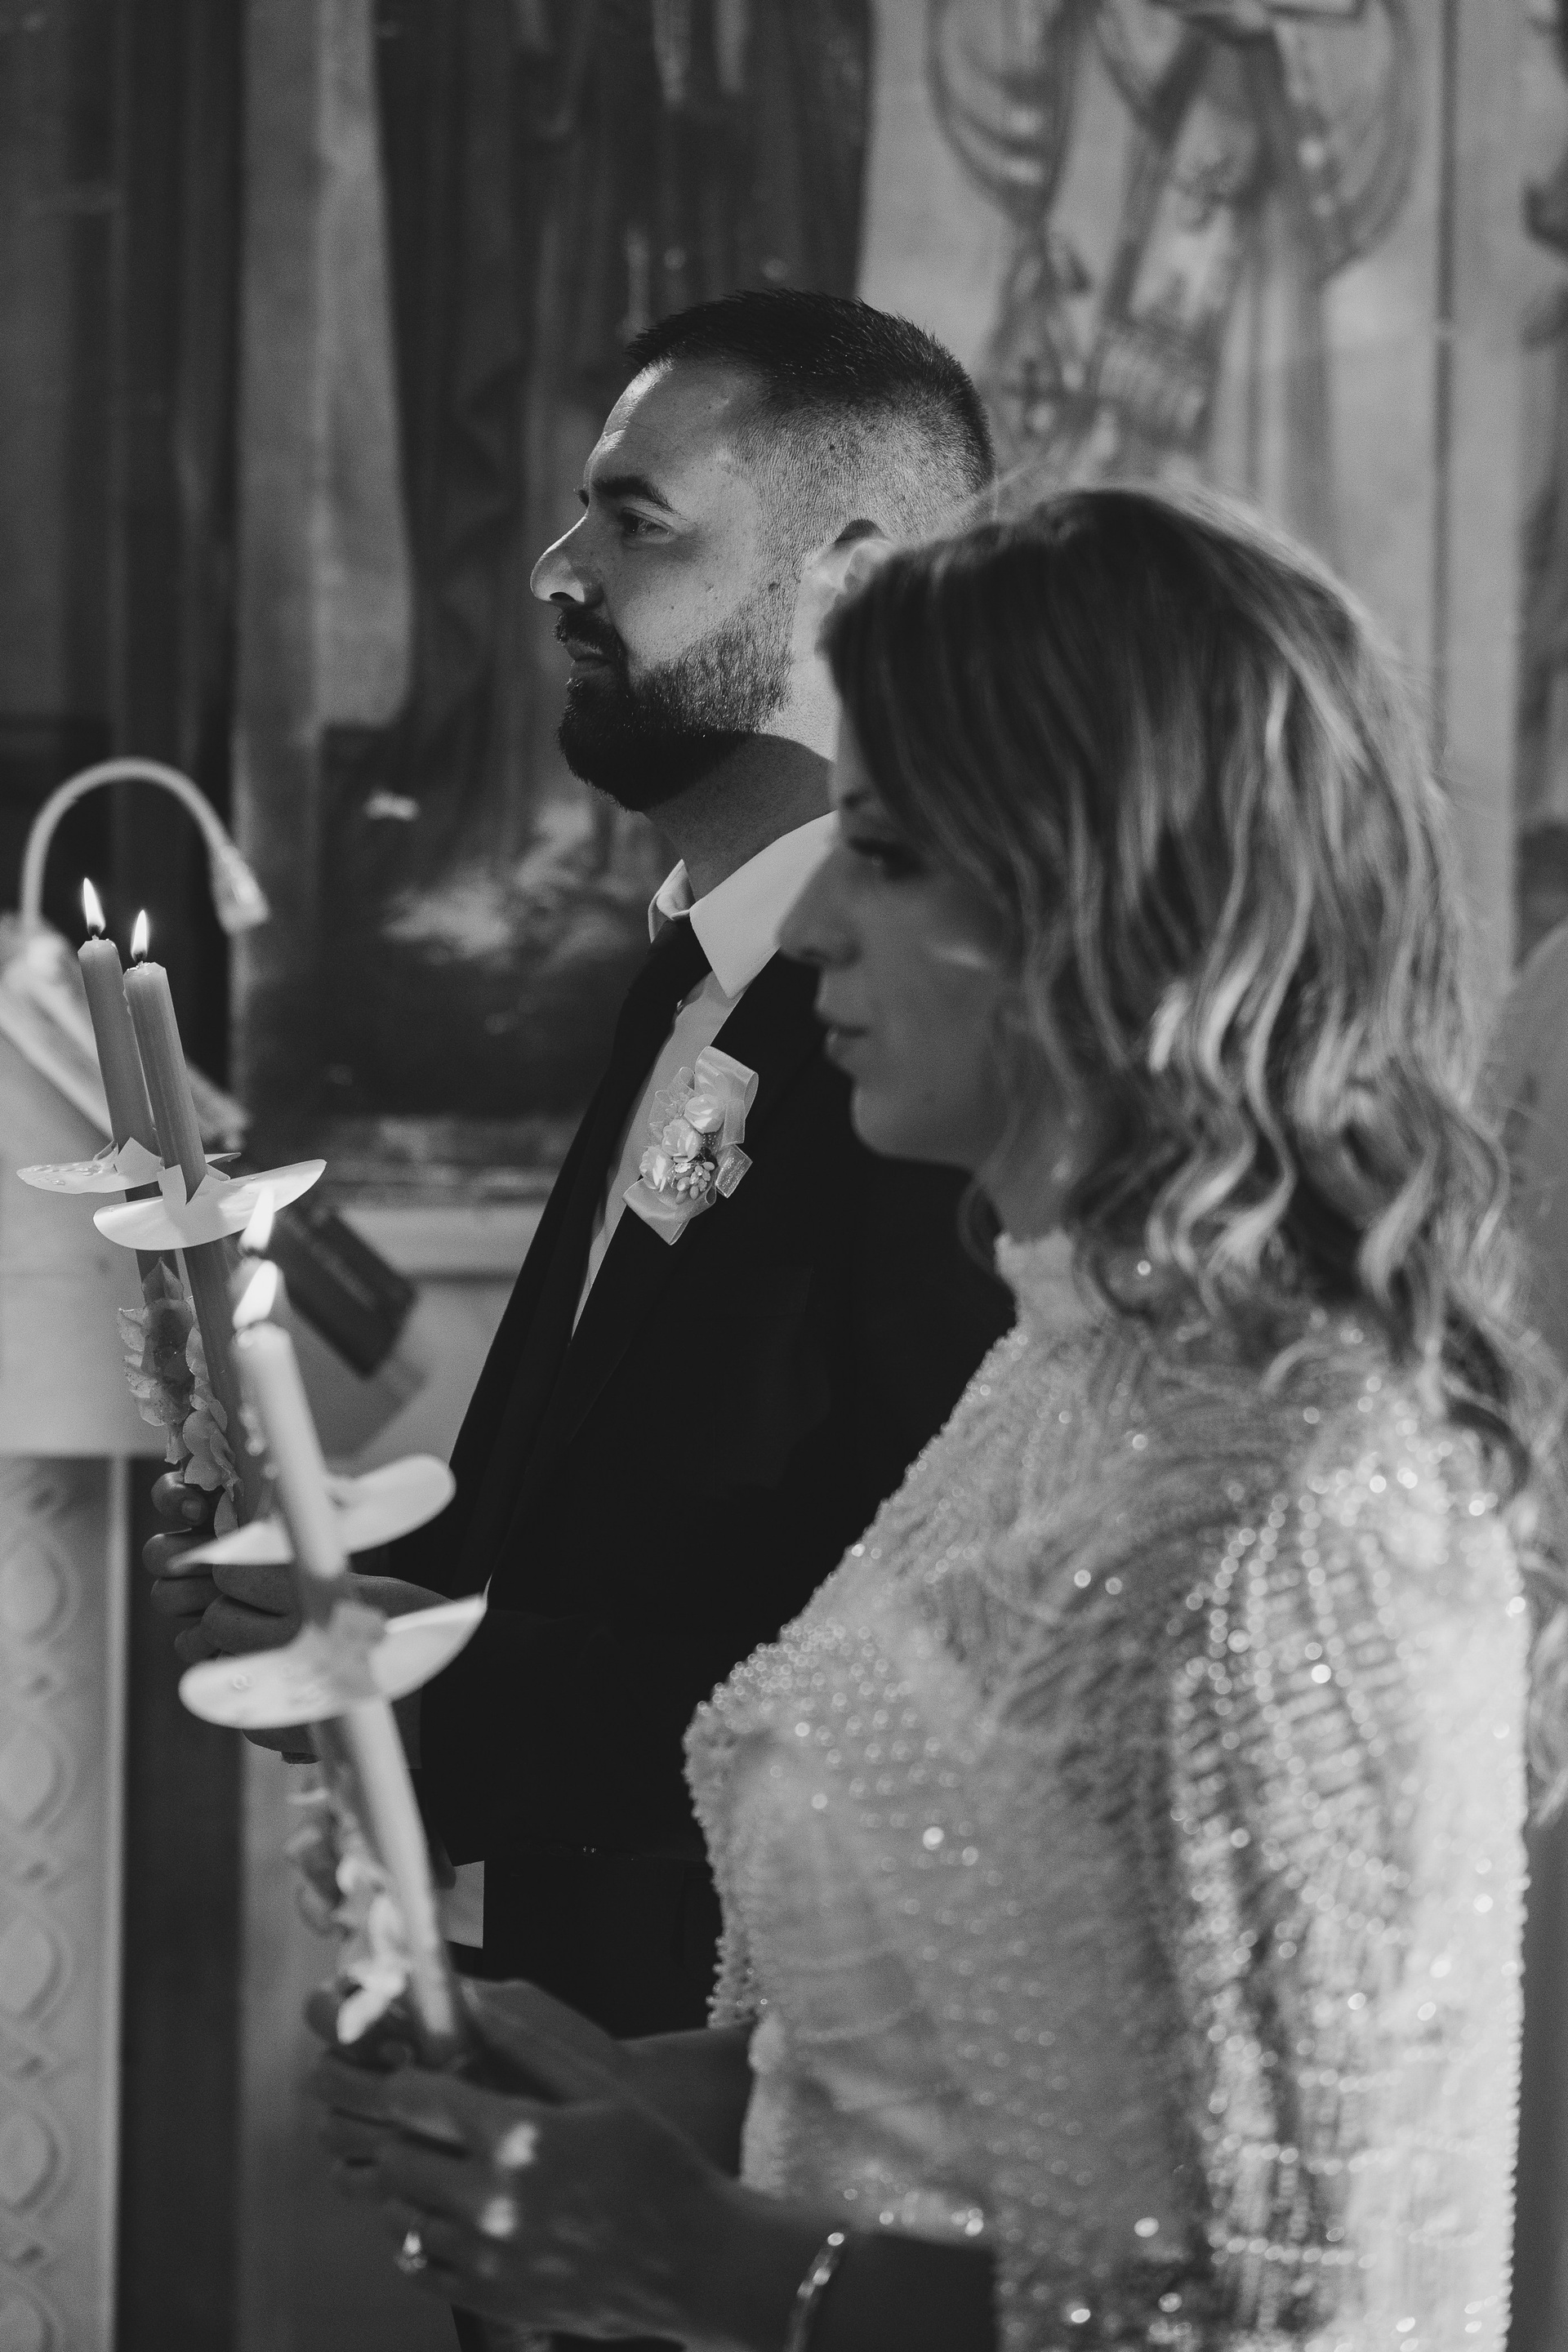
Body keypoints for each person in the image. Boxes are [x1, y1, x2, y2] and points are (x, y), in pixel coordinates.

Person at [310, 485, 1557, 2352]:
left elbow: (1311, 2319)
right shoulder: (1063, 1363)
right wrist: (655, 2093)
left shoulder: (1297, 1511)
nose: (813, 923)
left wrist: (707, 2263)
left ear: (1106, 898)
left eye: (883, 853)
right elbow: (963, 2076)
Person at [145, 290, 1013, 2042]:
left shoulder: (937, 1054)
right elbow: (610, 1507)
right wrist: (339, 1586)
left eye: (636, 522)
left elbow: (903, 1658)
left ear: (845, 582)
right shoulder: (694, 968)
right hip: (563, 1995)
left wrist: (424, 1688)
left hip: (756, 2052)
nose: (557, 571)